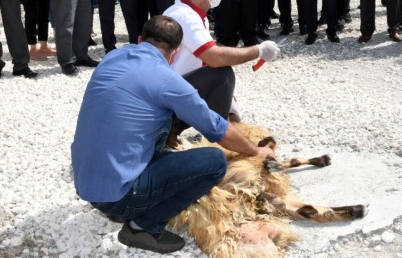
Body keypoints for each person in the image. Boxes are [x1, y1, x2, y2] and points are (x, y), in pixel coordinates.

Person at [71, 15, 276, 254]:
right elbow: (219, 130)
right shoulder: (166, 80)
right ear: (176, 52)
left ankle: (132, 200)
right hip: (118, 197)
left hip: (85, 182)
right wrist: (255, 149)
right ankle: (143, 225)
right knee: (214, 162)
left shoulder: (113, 57)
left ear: (139, 39)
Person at [163, 0, 279, 140]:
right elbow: (214, 58)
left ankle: (179, 128)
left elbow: (206, 55)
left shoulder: (188, 11)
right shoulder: (186, 16)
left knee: (219, 76)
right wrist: (258, 50)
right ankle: (214, 135)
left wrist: (228, 100)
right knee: (222, 74)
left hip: (169, 91)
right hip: (167, 100)